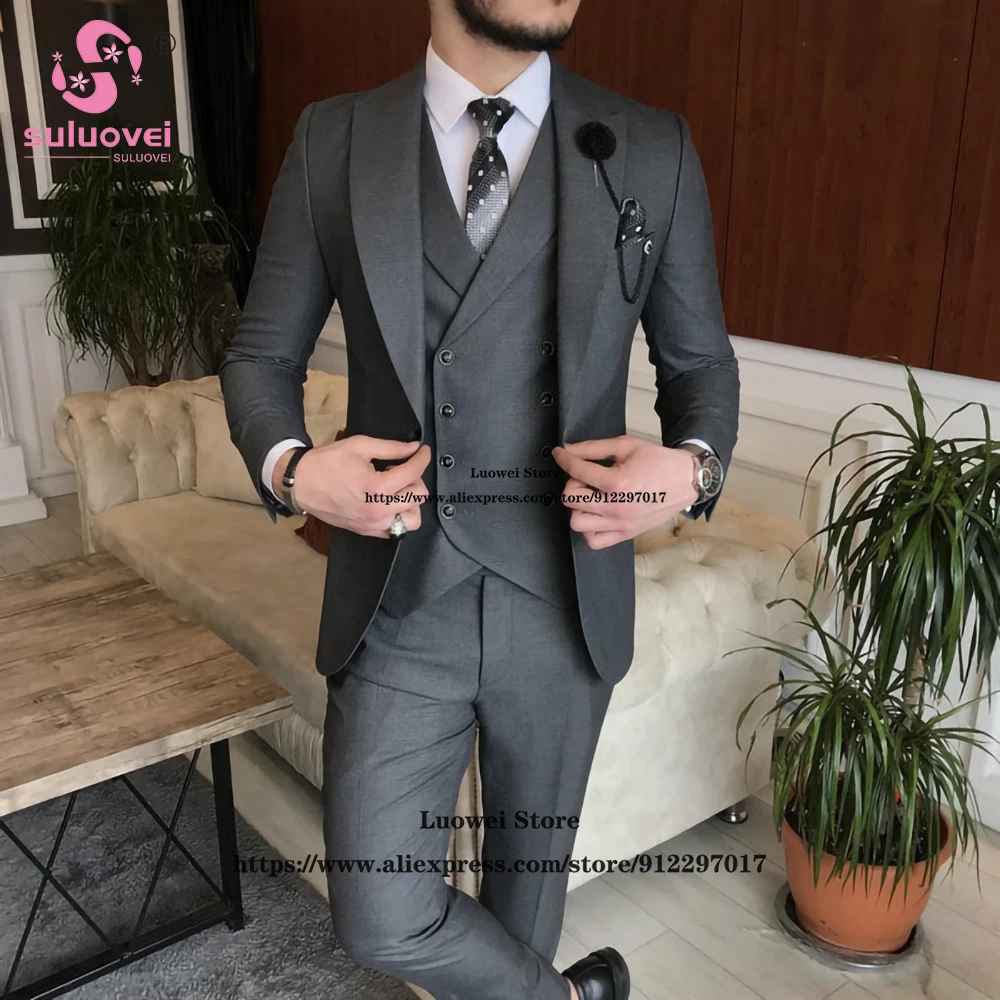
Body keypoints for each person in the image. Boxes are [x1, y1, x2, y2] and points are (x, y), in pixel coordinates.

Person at [220, 1, 739, 996]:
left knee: (524, 913)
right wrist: (292, 468)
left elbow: (702, 366)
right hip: (398, 603)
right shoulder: (336, 139)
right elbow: (260, 355)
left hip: (564, 610)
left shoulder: (648, 147)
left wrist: (694, 469)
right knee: (380, 914)